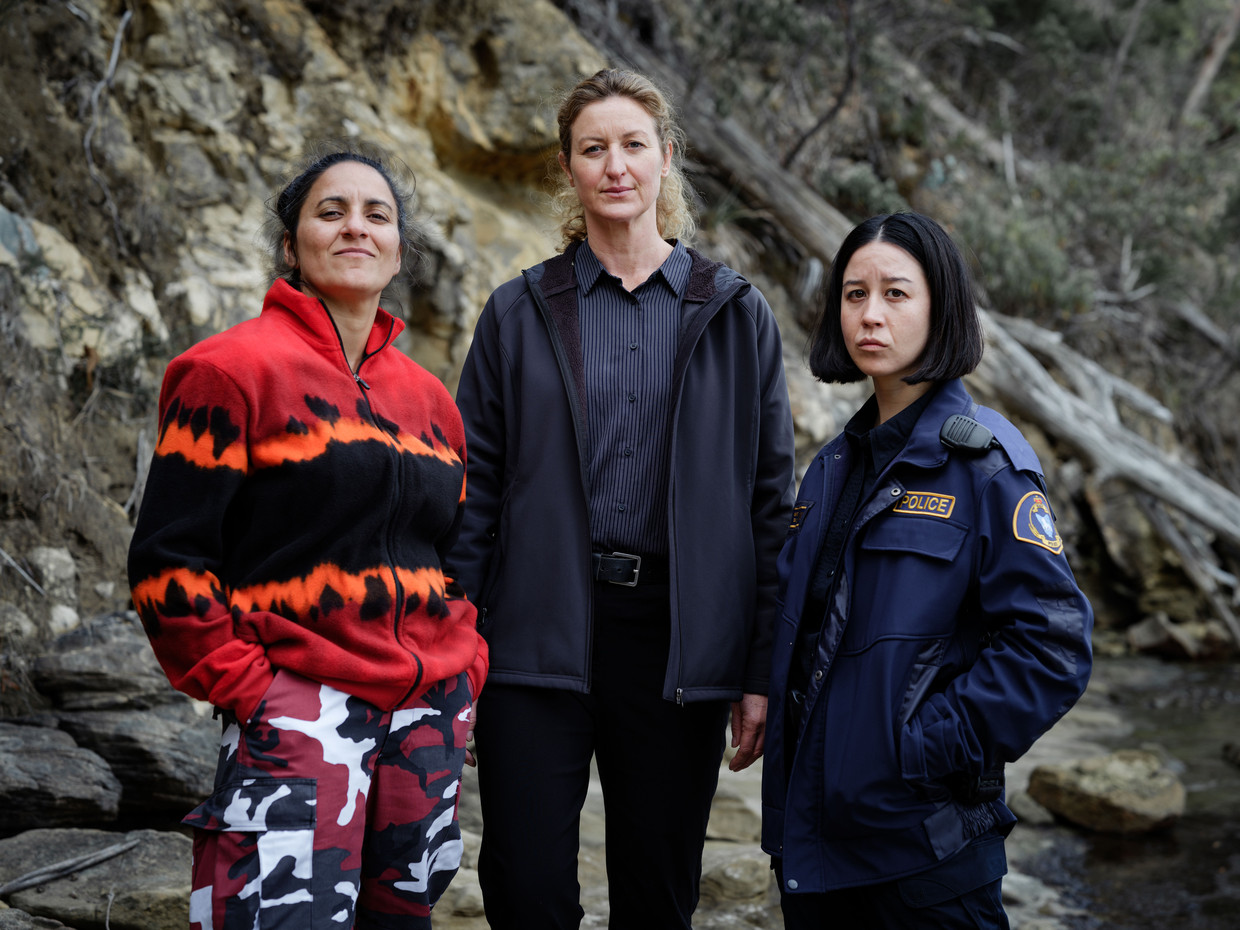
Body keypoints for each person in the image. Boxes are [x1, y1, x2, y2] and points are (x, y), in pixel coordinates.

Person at [448, 68, 796, 929]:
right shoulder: (517, 312)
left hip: (678, 644)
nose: (616, 166)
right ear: (567, 168)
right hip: (533, 631)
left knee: (657, 895)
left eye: (634, 145)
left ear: (666, 159)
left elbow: (768, 505)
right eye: (593, 148)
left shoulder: (736, 313)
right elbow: (474, 491)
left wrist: (757, 672)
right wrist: (451, 645)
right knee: (525, 890)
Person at [127, 146, 488, 930]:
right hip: (298, 711)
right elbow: (167, 563)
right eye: (331, 211)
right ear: (291, 247)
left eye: (377, 214)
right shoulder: (227, 370)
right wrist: (256, 693)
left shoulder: (430, 401)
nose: (356, 226)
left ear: (398, 250)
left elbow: (452, 554)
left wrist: (464, 672)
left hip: (425, 718)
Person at [760, 211, 1094, 928]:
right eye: (854, 294)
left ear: (941, 307)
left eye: (895, 293)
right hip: (815, 852)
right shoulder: (832, 467)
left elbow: (1053, 647)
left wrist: (919, 748)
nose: (870, 315)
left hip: (926, 861)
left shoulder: (987, 465)